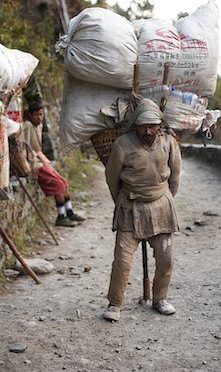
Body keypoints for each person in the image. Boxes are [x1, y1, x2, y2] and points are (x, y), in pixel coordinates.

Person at [103, 98, 182, 322]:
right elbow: (112, 178)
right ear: (136, 124)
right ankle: (114, 303)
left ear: (160, 125)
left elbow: (175, 176)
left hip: (161, 206)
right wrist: (122, 200)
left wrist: (164, 198)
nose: (148, 130)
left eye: (153, 125)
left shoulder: (169, 142)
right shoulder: (123, 144)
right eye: (144, 125)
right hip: (130, 206)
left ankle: (160, 299)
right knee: (122, 260)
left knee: (166, 258)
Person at [23, 101, 85, 227]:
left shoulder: (38, 126)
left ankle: (69, 211)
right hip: (34, 163)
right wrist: (45, 162)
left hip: (40, 161)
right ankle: (61, 216)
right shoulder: (27, 125)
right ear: (30, 115)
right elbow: (32, 149)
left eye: (41, 115)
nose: (40, 118)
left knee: (63, 181)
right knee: (58, 184)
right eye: (37, 115)